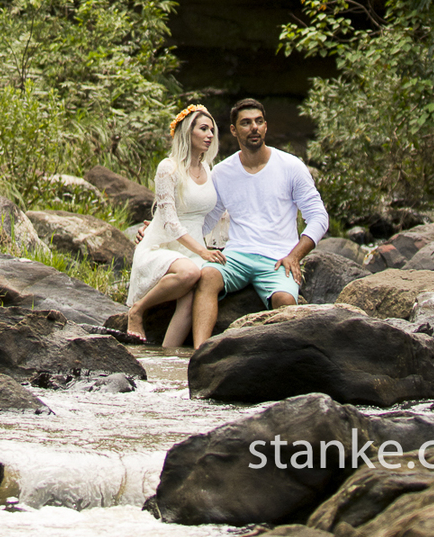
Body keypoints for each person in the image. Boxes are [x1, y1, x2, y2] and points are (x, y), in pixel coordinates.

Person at [189, 96, 329, 350]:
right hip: (237, 255)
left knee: (285, 300)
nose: (254, 127)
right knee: (208, 276)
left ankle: (281, 359)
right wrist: (162, 229)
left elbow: (319, 217)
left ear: (266, 127)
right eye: (246, 123)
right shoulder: (222, 172)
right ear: (234, 130)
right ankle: (200, 354)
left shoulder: (291, 166)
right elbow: (204, 220)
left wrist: (295, 256)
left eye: (259, 122)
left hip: (278, 257)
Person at [124, 104, 225, 347]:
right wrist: (202, 252)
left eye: (212, 129)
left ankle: (167, 358)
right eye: (203, 128)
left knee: (191, 297)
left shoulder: (208, 170)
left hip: (193, 248)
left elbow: (217, 215)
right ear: (187, 133)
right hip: (162, 246)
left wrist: (216, 247)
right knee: (190, 272)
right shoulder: (168, 168)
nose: (210, 134)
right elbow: (169, 219)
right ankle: (137, 311)